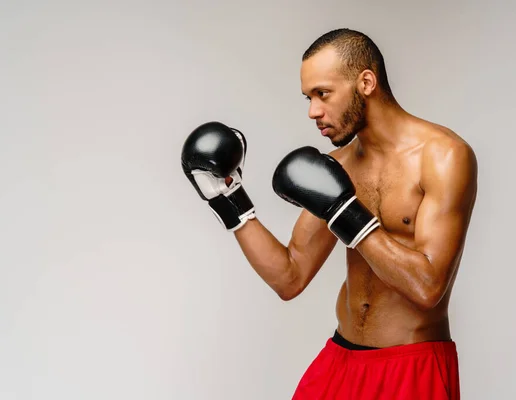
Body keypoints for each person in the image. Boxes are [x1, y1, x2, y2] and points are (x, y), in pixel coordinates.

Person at [182, 28, 477, 400]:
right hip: (341, 360)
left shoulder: (444, 157)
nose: (313, 111)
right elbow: (290, 277)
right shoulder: (336, 169)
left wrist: (346, 212)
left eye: (323, 94)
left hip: (411, 367)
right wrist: (227, 198)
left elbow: (428, 287)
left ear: (366, 82)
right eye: (308, 97)